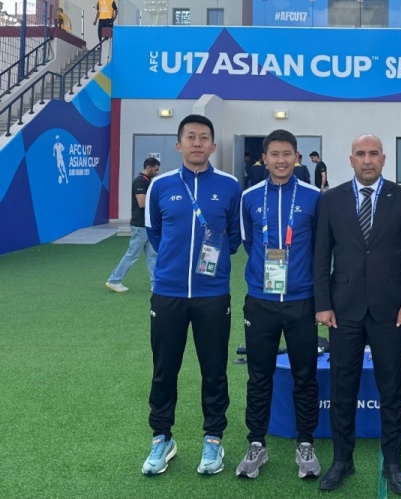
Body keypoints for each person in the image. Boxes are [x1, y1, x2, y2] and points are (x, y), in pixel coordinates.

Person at [314, 134, 401, 495]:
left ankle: (393, 461)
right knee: (342, 387)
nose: (367, 159)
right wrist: (322, 303)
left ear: (383, 158)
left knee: (392, 387)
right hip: (342, 310)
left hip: (390, 309)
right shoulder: (331, 200)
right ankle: (342, 460)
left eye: (374, 153)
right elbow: (321, 256)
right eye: (360, 154)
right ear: (351, 160)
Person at [141, 114, 242, 476]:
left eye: (203, 137)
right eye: (190, 137)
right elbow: (154, 233)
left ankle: (213, 438)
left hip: (212, 295)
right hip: (167, 293)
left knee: (214, 370)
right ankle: (161, 438)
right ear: (179, 144)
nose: (197, 143)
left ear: (213, 145)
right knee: (164, 369)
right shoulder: (160, 185)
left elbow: (234, 237)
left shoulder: (230, 186)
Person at [236, 129, 322, 480]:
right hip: (261, 301)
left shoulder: (315, 197)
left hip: (302, 300)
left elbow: (320, 248)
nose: (281, 160)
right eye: (274, 154)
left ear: (297, 157)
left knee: (305, 374)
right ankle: (257, 443)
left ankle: (306, 443)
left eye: (288, 154)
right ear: (264, 159)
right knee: (259, 375)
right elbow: (248, 242)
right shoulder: (249, 197)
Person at [105, 157, 160, 293]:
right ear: (148, 167)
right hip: (140, 225)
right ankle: (114, 280)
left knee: (153, 255)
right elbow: (142, 203)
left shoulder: (147, 181)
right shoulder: (139, 181)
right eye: (156, 169)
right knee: (132, 255)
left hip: (147, 225)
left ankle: (156, 284)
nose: (157, 172)